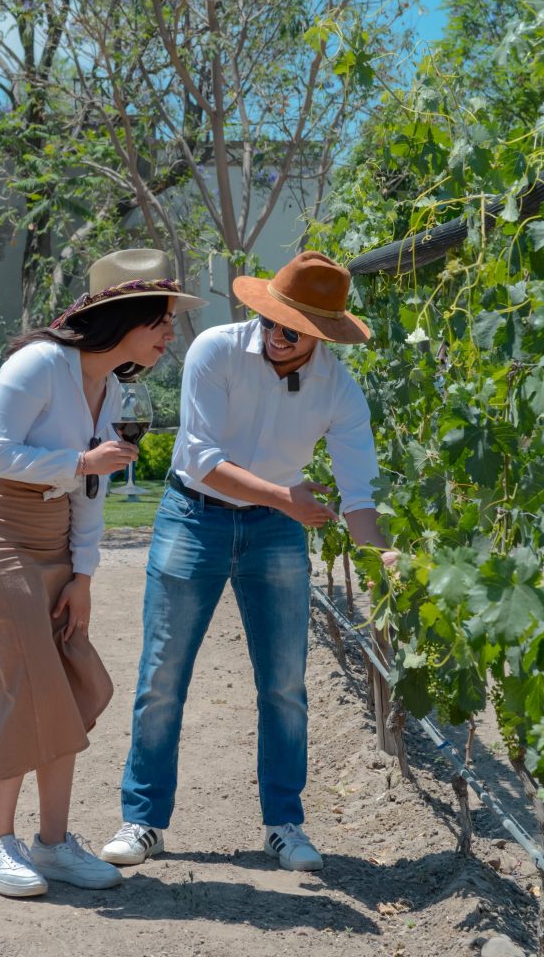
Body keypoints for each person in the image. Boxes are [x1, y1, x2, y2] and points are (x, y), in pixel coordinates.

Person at [101, 250, 394, 873]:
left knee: (284, 685)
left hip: (275, 532)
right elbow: (200, 459)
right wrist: (285, 498)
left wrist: (382, 561)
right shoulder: (215, 350)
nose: (278, 334)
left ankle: (284, 824)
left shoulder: (339, 389)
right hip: (194, 516)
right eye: (271, 319)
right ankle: (143, 820)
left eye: (294, 328)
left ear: (322, 333)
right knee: (161, 677)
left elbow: (360, 493)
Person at [0, 248, 205, 899]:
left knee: (62, 678)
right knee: (24, 681)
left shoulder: (110, 387)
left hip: (53, 537)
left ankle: (54, 843)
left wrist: (83, 577)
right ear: (125, 317)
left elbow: (91, 493)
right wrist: (82, 462)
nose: (168, 335)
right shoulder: (38, 364)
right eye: (161, 322)